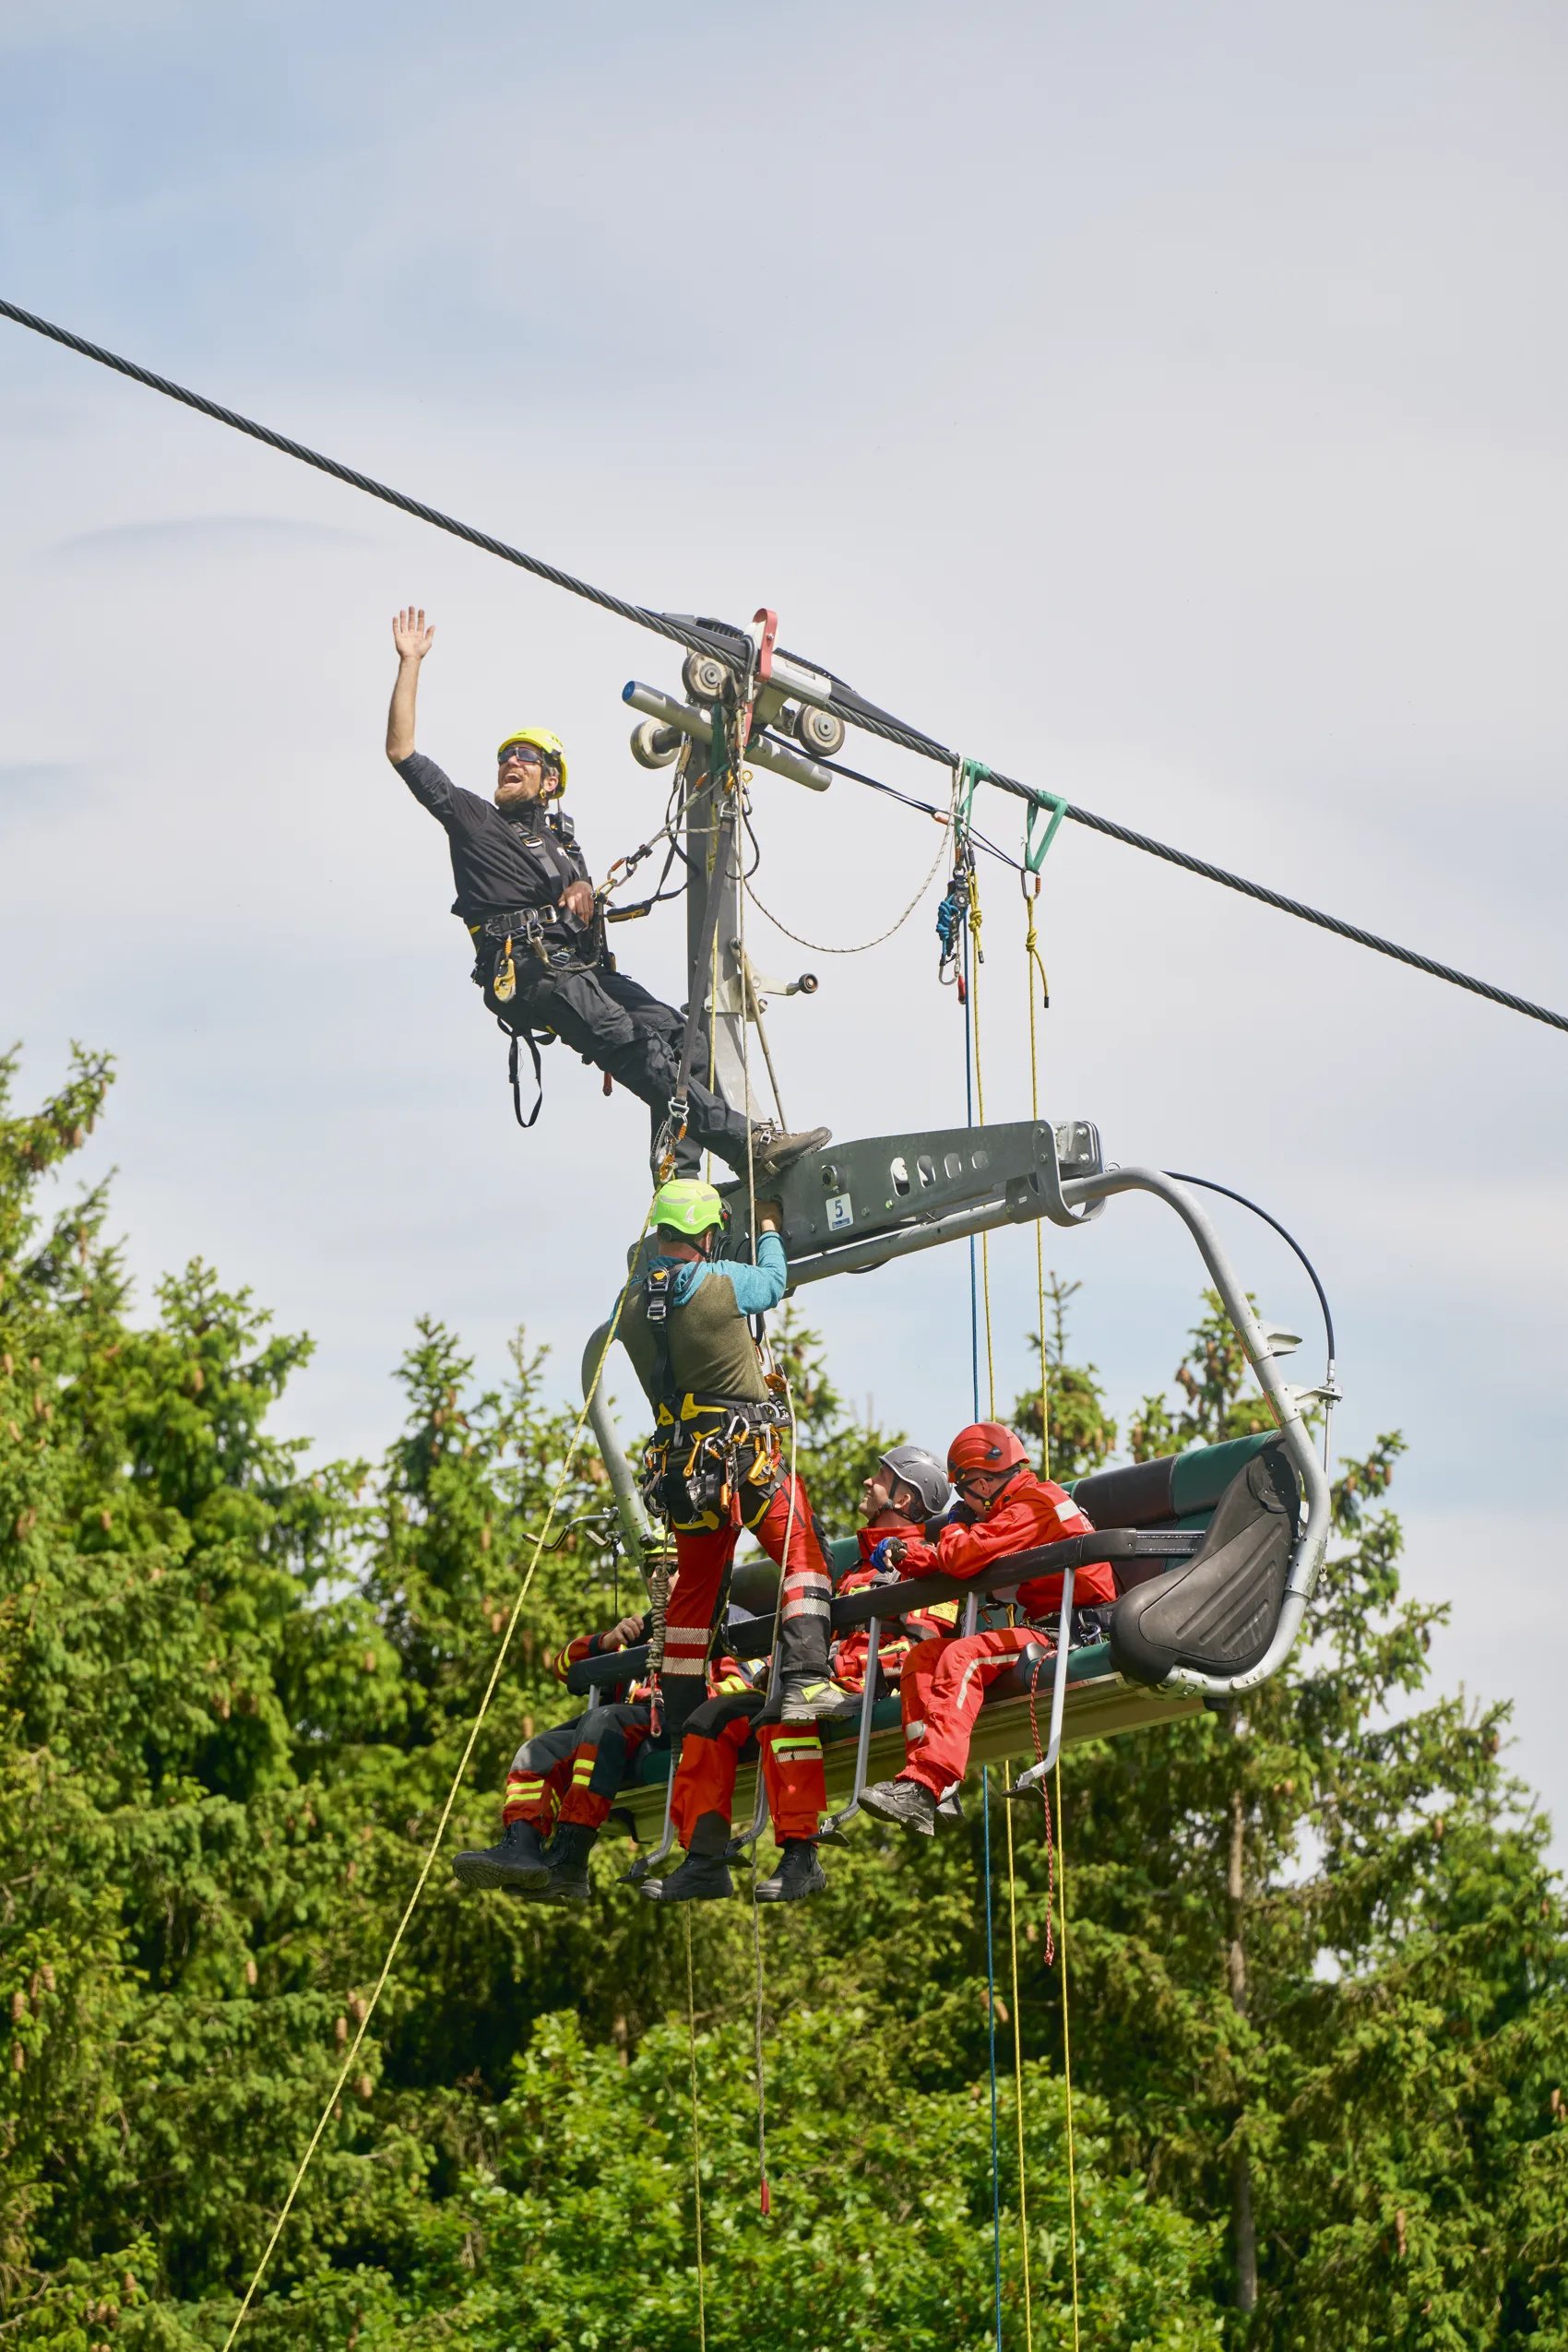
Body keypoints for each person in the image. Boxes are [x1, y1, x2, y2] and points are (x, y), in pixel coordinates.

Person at [384, 607, 827, 1178]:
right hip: (534, 970)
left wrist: (587, 892)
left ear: (550, 781)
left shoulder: (563, 842)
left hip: (586, 969)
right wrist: (411, 663)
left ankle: (679, 1168)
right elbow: (402, 752)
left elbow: (584, 908)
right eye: (503, 758)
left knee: (685, 1039)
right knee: (638, 1050)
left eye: (524, 758)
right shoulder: (473, 820)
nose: (509, 763)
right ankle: (752, 1147)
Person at [643, 1443, 955, 1907]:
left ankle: (800, 1854)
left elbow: (919, 1647)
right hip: (819, 1681)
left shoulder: (920, 1565)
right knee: (709, 1720)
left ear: (903, 1499)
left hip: (862, 1686)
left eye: (880, 1477)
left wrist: (839, 1670)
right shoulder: (855, 1568)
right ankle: (703, 1860)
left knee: (787, 1713)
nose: (869, 1483)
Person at [612, 1178, 837, 1740]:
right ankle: (807, 1679)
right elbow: (773, 1282)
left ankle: (681, 1717)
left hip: (684, 1472)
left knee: (692, 1594)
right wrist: (767, 1228)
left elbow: (647, 1279)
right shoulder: (718, 1286)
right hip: (744, 1462)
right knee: (803, 1554)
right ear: (709, 1234)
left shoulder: (631, 1303)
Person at [859, 1422, 1116, 1835]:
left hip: (1070, 1631)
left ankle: (926, 1785)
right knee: (924, 1658)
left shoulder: (1034, 1504)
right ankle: (930, 1787)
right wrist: (905, 1554)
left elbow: (963, 1556)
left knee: (964, 1655)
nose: (966, 1503)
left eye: (964, 1493)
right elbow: (956, 1556)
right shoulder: (1015, 1508)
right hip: (1046, 1626)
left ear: (982, 1481)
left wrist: (954, 1525)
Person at [451, 1610, 653, 1901]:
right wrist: (607, 1641)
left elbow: (734, 1680)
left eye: (671, 1569)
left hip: (666, 1720)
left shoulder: (712, 1621)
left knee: (600, 1722)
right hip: (617, 1726)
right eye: (652, 1570)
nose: (660, 1577)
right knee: (536, 1752)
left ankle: (570, 1857)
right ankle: (523, 1845)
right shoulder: (636, 1633)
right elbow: (564, 1665)